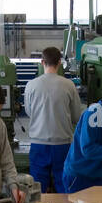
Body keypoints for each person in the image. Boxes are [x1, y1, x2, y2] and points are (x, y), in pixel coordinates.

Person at [24, 47, 85, 193]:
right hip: (62, 144)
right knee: (64, 187)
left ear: (42, 62)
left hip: (38, 144)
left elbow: (28, 112)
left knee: (37, 191)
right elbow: (77, 115)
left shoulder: (31, 85)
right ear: (59, 63)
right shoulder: (69, 85)